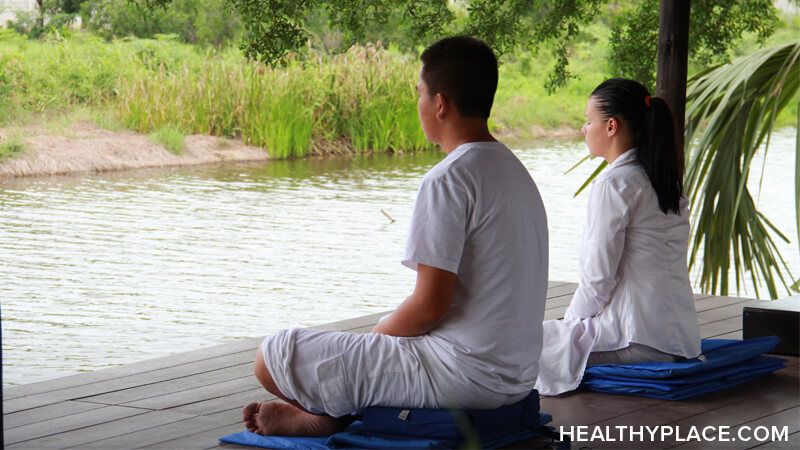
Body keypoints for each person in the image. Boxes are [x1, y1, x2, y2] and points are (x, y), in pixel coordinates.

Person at [242, 36, 549, 436]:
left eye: (420, 93)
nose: (418, 103)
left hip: (462, 376)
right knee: (378, 337)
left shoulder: (449, 178)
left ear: (440, 104)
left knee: (272, 354)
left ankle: (327, 415)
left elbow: (428, 308)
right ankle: (342, 402)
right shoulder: (516, 172)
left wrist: (375, 340)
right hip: (516, 378)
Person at [534, 78, 702, 396]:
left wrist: (571, 324)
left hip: (637, 339)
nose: (584, 129)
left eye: (588, 121)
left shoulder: (615, 183)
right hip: (682, 338)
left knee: (519, 348)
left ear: (611, 126)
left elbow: (598, 280)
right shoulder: (664, 181)